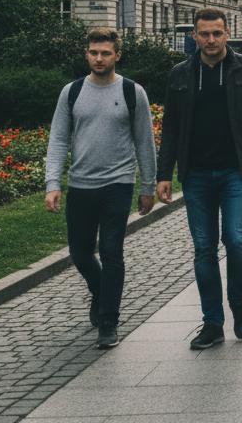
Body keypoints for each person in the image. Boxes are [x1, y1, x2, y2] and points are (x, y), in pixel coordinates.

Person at [157, 7, 242, 350]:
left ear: (227, 34)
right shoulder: (181, 74)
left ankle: (239, 304)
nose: (210, 40)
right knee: (203, 248)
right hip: (196, 173)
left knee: (237, 240)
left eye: (216, 33)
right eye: (204, 34)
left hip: (235, 171)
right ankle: (212, 321)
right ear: (194, 36)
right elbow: (170, 128)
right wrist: (163, 174)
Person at [44, 27, 157, 349]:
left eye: (105, 53)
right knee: (79, 253)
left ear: (117, 56)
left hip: (117, 184)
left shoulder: (133, 92)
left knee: (111, 252)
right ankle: (101, 291)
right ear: (86, 54)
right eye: (94, 52)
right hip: (81, 185)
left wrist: (147, 186)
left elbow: (144, 142)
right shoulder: (72, 92)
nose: (98, 58)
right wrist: (53, 183)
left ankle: (108, 321)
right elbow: (58, 139)